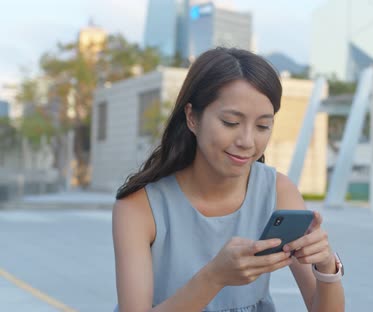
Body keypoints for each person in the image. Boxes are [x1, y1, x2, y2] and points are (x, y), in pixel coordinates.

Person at [112, 47, 345, 312]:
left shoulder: (279, 191)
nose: (246, 141)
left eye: (262, 126)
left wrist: (326, 266)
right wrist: (214, 277)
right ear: (192, 118)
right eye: (231, 122)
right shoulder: (138, 208)